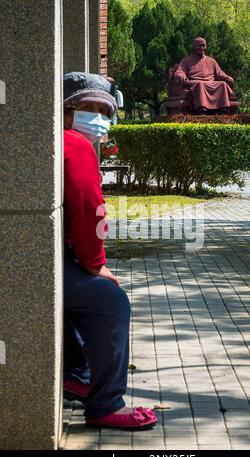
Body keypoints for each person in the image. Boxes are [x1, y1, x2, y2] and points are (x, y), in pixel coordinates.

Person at [63, 72, 157, 430]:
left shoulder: (67, 141)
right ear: (68, 112)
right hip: (51, 259)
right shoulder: (76, 145)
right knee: (111, 301)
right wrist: (96, 265)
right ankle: (106, 404)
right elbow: (89, 208)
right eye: (88, 108)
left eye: (105, 110)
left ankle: (76, 375)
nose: (99, 117)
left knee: (82, 302)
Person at [174, 37, 235, 113]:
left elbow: (219, 73)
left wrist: (227, 77)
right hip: (194, 82)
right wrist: (182, 77)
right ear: (194, 47)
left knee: (223, 84)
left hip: (210, 82)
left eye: (203, 45)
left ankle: (224, 108)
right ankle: (201, 109)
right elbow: (179, 72)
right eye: (199, 45)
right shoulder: (186, 60)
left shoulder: (211, 60)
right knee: (200, 84)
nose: (202, 48)